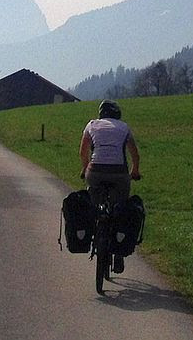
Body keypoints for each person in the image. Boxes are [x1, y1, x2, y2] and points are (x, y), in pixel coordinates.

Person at [79, 99, 141, 273]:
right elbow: (135, 155)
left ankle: (94, 232)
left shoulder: (91, 125)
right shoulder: (124, 127)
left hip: (95, 172)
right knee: (120, 209)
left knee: (93, 205)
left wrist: (85, 170)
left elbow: (83, 152)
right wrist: (134, 172)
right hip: (119, 174)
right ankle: (118, 255)